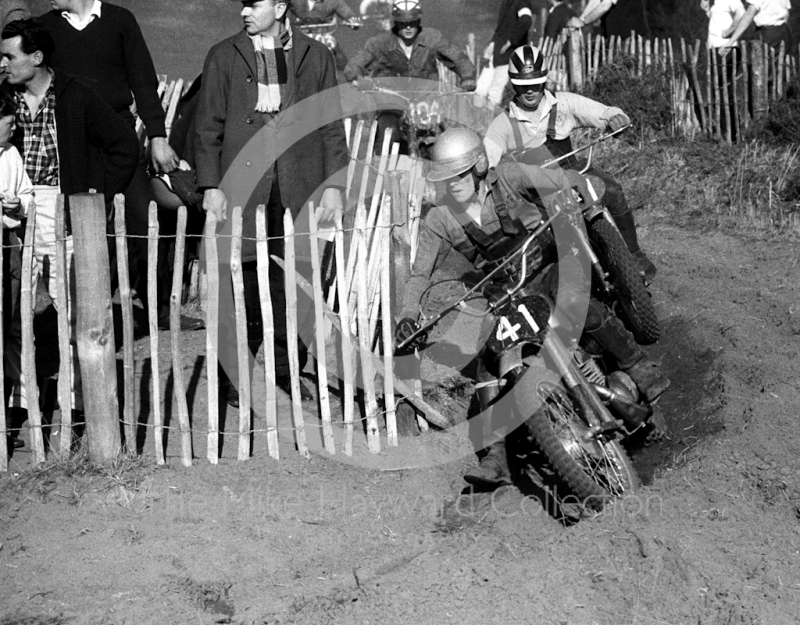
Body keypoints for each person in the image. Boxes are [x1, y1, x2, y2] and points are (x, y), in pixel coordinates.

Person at [394, 127, 669, 487]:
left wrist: (571, 188)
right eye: (445, 178)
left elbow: (554, 177)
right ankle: (497, 456)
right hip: (506, 290)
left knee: (577, 299)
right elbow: (419, 275)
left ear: (478, 165)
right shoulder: (438, 220)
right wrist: (408, 316)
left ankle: (638, 367)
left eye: (458, 175)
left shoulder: (507, 175)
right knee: (488, 365)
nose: (453, 185)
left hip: (545, 264)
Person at [194, 0, 349, 407]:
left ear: (280, 7)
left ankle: (285, 374)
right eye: (242, 5)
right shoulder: (224, 55)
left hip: (298, 182)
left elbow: (331, 125)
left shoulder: (316, 56)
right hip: (244, 186)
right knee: (239, 281)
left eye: (254, 4)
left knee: (293, 283)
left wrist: (333, 185)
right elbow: (207, 125)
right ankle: (235, 375)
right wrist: (210, 185)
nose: (245, 11)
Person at [0, 18, 139, 425]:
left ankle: (78, 403)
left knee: (75, 310)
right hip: (15, 212)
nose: (3, 64)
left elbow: (123, 146)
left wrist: (93, 196)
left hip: (66, 208)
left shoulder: (76, 95)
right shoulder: (3, 99)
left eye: (10, 56)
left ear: (37, 57)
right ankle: (21, 401)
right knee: (15, 309)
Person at [38, 0, 204, 332]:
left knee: (146, 223)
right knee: (78, 230)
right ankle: (75, 317)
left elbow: (143, 81)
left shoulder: (120, 21)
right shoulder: (46, 27)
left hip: (120, 141)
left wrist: (157, 135)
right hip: (71, 144)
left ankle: (160, 312)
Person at [484, 44, 656, 284]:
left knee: (612, 191)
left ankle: (634, 254)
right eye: (523, 86)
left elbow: (602, 112)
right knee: (544, 238)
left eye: (535, 84)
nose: (530, 91)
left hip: (574, 171)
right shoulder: (502, 124)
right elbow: (487, 162)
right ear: (513, 84)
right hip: (539, 191)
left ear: (544, 81)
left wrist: (617, 118)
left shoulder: (563, 104)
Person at [343, 0, 476, 152]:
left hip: (427, 105)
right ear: (395, 22)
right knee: (388, 133)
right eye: (402, 23)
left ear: (418, 20)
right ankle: (382, 171)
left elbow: (459, 59)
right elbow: (353, 67)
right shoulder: (380, 43)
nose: (407, 27)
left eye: (412, 23)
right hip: (392, 104)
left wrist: (468, 80)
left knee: (445, 141)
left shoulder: (432, 38)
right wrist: (359, 80)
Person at [0, 91, 32, 450]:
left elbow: (26, 194)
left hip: (8, 246)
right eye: (9, 120)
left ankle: (8, 415)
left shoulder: (11, 155)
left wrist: (17, 204)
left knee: (8, 326)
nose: (14, 126)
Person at [477, 0, 533, 107]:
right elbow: (501, 28)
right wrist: (492, 44)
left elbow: (526, 20)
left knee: (494, 93)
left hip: (508, 55)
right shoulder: (507, 2)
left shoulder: (521, 2)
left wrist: (511, 41)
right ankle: (477, 121)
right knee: (481, 90)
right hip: (497, 53)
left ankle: (491, 121)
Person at [288, 0, 360, 71]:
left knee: (335, 49)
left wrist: (352, 21)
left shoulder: (333, 2)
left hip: (323, 35)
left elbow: (348, 14)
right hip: (299, 35)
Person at [721, 0, 792, 52]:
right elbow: (786, 14)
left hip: (767, 34)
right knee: (779, 66)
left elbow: (748, 16)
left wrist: (730, 42)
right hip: (783, 32)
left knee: (761, 67)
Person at [567, 0, 650, 39]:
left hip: (629, 37)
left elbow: (605, 5)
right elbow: (595, 1)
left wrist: (584, 22)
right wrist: (580, 20)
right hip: (615, 37)